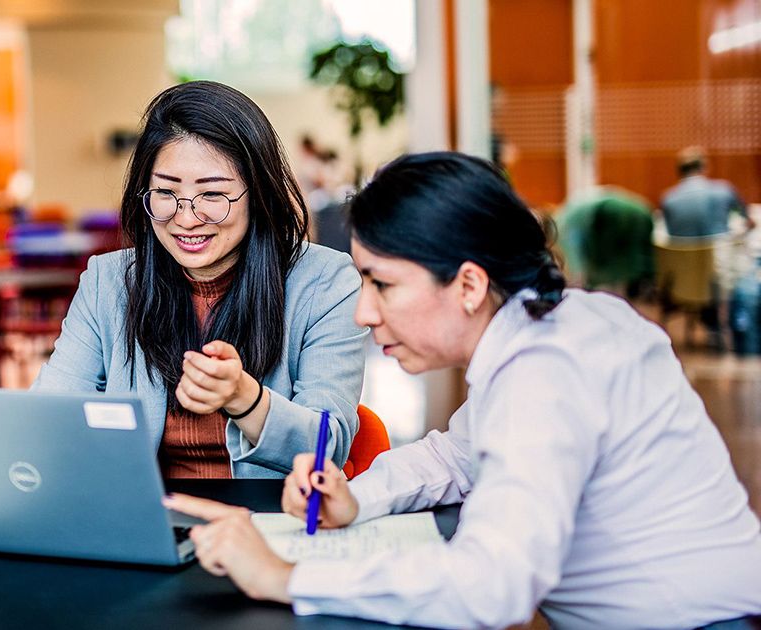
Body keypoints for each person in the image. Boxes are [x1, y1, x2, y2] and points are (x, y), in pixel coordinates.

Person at [167, 152, 761, 627]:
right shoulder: (552, 330)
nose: (363, 314)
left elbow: (492, 587)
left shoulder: (549, 372)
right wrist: (356, 497)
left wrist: (284, 577)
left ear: (470, 285)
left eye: (383, 284)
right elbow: (454, 455)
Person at [33, 81, 367, 479]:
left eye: (212, 195)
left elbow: (327, 446)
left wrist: (245, 399)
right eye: (165, 192)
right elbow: (49, 421)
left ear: (257, 193)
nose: (186, 218)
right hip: (147, 523)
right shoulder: (110, 284)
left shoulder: (324, 283)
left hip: (271, 521)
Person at [660, 146, 754, 240]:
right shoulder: (723, 189)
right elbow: (748, 222)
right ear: (704, 167)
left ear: (679, 171)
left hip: (684, 254)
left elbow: (671, 233)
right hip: (720, 251)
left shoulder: (668, 198)